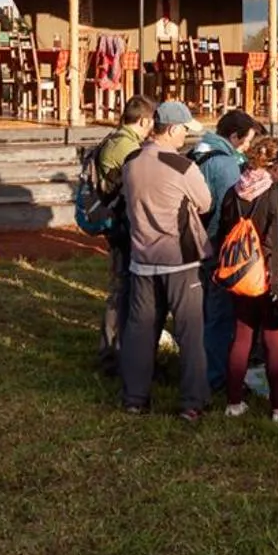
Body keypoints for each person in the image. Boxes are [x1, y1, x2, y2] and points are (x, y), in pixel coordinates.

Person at [119, 101, 214, 420]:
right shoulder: (182, 166)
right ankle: (192, 401)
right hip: (180, 259)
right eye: (185, 131)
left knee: (140, 331)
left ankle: (135, 398)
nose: (186, 137)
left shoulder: (131, 161)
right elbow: (204, 203)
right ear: (173, 129)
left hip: (141, 257)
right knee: (190, 333)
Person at [221, 137, 278, 424]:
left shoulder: (235, 191)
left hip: (242, 273)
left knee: (241, 337)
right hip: (273, 274)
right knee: (275, 341)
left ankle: (233, 402)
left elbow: (224, 227)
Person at [190, 109, 262, 393]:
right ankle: (214, 377)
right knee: (219, 316)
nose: (246, 148)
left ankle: (199, 367)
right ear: (234, 136)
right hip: (217, 245)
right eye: (246, 142)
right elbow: (227, 211)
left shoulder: (199, 152)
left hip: (195, 243)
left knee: (203, 312)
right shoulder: (226, 165)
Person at [92, 96, 156, 373]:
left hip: (120, 222)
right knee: (122, 291)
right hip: (123, 225)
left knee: (125, 289)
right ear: (144, 120)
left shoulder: (116, 139)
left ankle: (119, 352)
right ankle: (114, 355)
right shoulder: (127, 147)